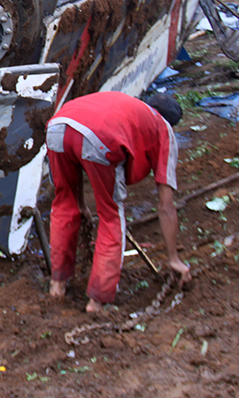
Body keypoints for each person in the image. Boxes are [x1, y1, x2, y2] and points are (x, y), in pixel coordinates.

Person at [46, 91, 191, 313]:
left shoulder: (130, 107)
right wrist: (173, 258)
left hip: (58, 127)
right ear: (171, 123)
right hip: (100, 137)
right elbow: (165, 205)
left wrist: (82, 203)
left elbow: (79, 138)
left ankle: (57, 286)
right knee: (111, 215)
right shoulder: (163, 128)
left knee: (64, 203)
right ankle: (96, 302)